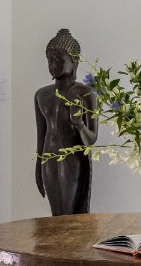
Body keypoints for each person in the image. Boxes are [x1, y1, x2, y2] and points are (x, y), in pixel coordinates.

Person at [35, 28, 98, 218]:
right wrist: (38, 166)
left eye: (59, 59)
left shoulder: (85, 93)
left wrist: (79, 124)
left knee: (70, 216)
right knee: (56, 216)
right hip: (49, 159)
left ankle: (70, 248)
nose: (53, 64)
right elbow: (41, 135)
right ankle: (57, 248)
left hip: (72, 160)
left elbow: (92, 139)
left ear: (74, 62)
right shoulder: (41, 95)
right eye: (50, 59)